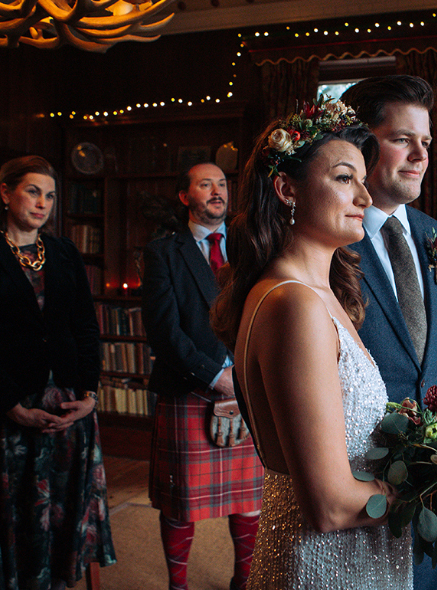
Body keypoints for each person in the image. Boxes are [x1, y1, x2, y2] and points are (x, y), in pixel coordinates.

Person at [210, 98, 412, 589]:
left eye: (365, 180)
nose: (366, 196)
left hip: (358, 556)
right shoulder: (294, 304)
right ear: (286, 189)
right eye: (345, 179)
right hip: (326, 565)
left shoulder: (323, 294)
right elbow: (330, 505)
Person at [0, 155, 115, 590]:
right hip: (7, 410)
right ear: (5, 193)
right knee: (13, 522)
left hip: (68, 410)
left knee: (61, 517)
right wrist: (13, 407)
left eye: (51, 195)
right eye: (33, 191)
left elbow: (85, 328)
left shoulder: (64, 253)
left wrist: (90, 395)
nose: (44, 203)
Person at [343, 75, 437, 590]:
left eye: (426, 142)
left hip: (434, 479)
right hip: (355, 478)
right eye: (401, 139)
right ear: (360, 144)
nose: (420, 155)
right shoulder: (330, 242)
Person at [142, 162, 263, 590]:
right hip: (189, 388)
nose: (217, 191)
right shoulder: (163, 252)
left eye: (223, 184)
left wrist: (247, 373)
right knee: (180, 503)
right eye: (205, 183)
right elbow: (163, 330)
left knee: (249, 502)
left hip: (248, 387)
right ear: (184, 196)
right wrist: (216, 375)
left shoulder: (254, 245)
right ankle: (178, 586)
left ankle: (243, 581)